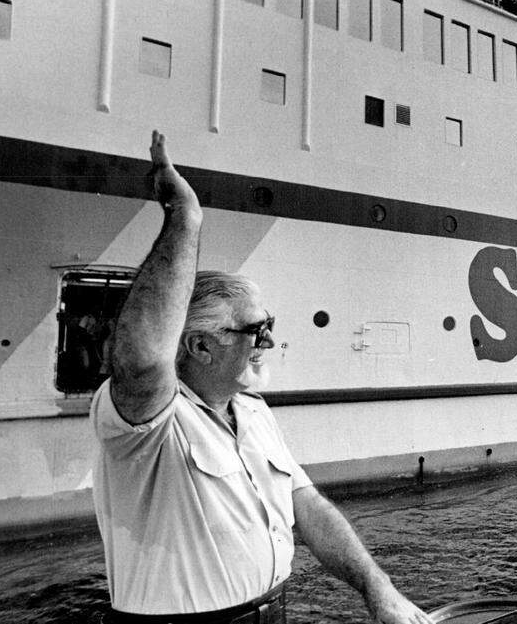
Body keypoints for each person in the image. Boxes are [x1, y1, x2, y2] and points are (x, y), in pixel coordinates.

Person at [91, 131, 433, 624]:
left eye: (269, 326)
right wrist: (185, 219)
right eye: (256, 330)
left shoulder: (252, 411)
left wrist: (378, 588)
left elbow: (307, 507)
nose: (269, 342)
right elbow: (143, 359)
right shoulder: (148, 426)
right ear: (200, 345)